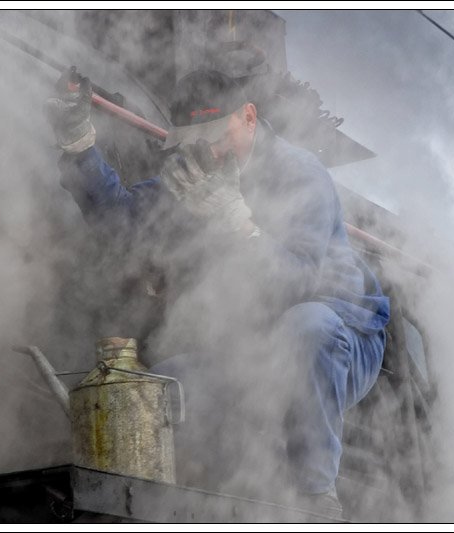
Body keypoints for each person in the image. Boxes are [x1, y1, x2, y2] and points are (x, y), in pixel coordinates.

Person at [44, 68, 390, 520]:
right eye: (197, 138)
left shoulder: (300, 172)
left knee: (305, 326)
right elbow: (119, 222)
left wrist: (236, 219)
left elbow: (298, 281)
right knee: (162, 388)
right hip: (253, 339)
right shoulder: (196, 173)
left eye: (217, 134)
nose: (209, 149)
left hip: (343, 335)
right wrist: (78, 146)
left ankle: (316, 498)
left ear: (248, 116)